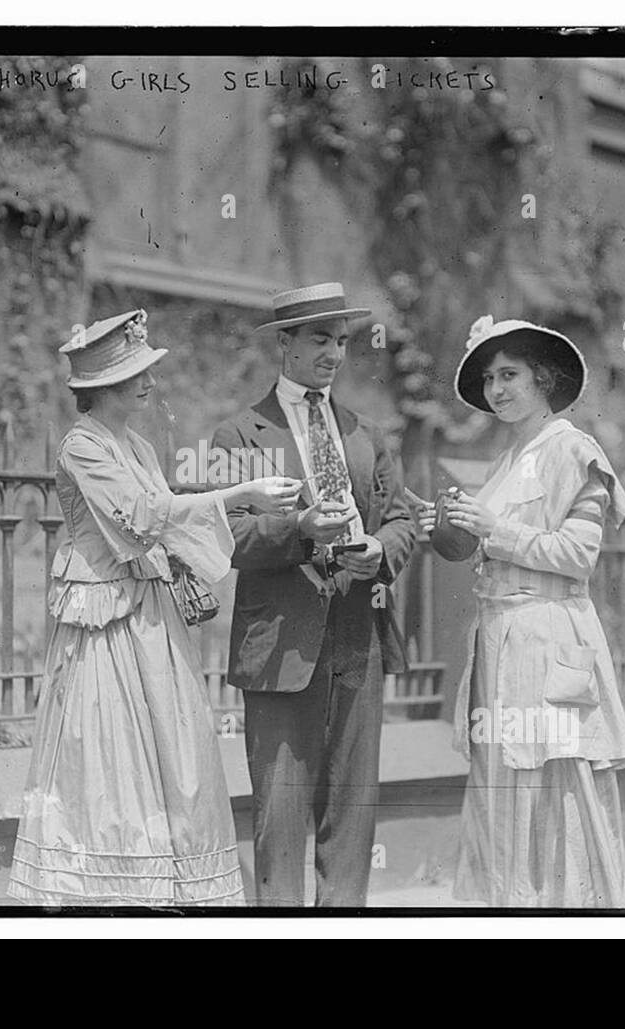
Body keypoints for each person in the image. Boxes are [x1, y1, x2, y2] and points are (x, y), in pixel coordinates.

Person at [7, 309, 301, 907]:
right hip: (107, 615)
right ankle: (111, 890)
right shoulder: (81, 447)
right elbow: (141, 520)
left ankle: (161, 886)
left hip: (148, 611)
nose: (148, 381)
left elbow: (164, 515)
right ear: (100, 386)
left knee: (169, 746)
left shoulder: (135, 442)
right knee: (110, 749)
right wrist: (240, 492)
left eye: (147, 370)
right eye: (134, 372)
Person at [421, 314, 625, 907]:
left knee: (552, 786)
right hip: (499, 640)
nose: (497, 390)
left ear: (543, 377)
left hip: (548, 636)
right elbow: (490, 544)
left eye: (510, 374)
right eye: (490, 378)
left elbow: (577, 555)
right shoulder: (508, 457)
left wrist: (495, 527)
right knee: (501, 790)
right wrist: (451, 527)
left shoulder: (572, 448)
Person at [211, 283, 418, 906]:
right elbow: (229, 536)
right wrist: (298, 531)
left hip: (359, 637)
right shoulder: (240, 435)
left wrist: (383, 549)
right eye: (320, 340)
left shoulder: (367, 433)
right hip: (279, 643)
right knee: (280, 808)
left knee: (352, 808)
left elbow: (404, 519)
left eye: (342, 342)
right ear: (285, 344)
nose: (334, 354)